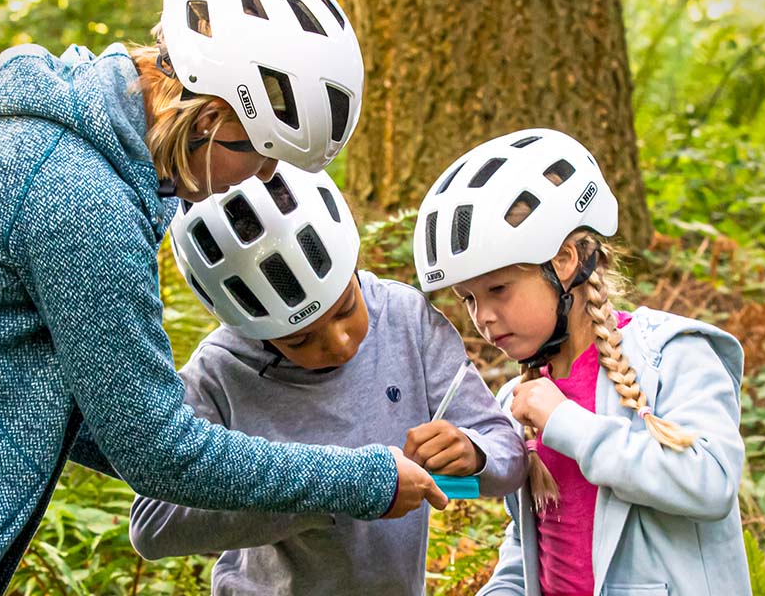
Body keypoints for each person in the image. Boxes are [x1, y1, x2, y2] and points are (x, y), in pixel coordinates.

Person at [0, 0, 445, 595]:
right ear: (205, 115)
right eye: (260, 151)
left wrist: (276, 450)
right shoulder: (78, 200)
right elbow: (157, 451)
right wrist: (364, 480)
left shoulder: (66, 156)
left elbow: (100, 418)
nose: (258, 178)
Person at [129, 163, 526, 595]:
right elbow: (155, 524)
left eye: (345, 309)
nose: (339, 344)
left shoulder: (404, 319)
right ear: (249, 328)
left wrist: (474, 453)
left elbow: (507, 456)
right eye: (300, 340)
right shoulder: (221, 373)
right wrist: (330, 489)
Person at [412, 128, 750, 596]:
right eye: (468, 298)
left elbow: (710, 483)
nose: (483, 317)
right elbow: (533, 545)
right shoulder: (518, 399)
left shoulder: (672, 356)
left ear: (565, 260)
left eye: (499, 290)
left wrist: (567, 422)